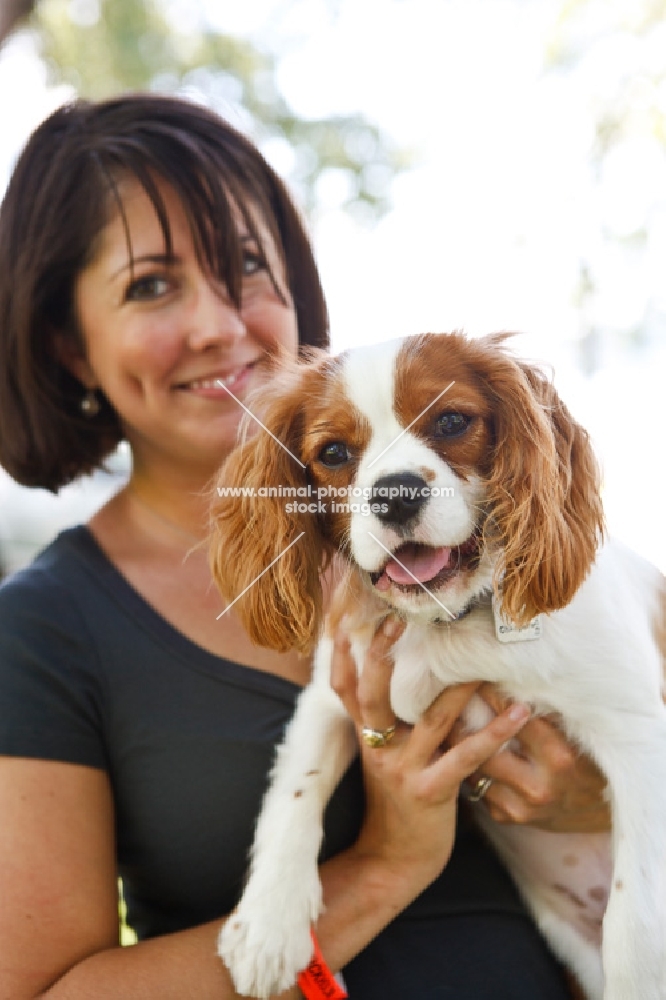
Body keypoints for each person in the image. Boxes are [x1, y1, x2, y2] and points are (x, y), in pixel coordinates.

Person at [0, 94, 608, 999]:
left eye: (246, 266)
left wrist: (592, 801)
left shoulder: (466, 515)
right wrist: (383, 865)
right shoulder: (43, 632)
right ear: (70, 348)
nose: (220, 324)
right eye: (152, 285)